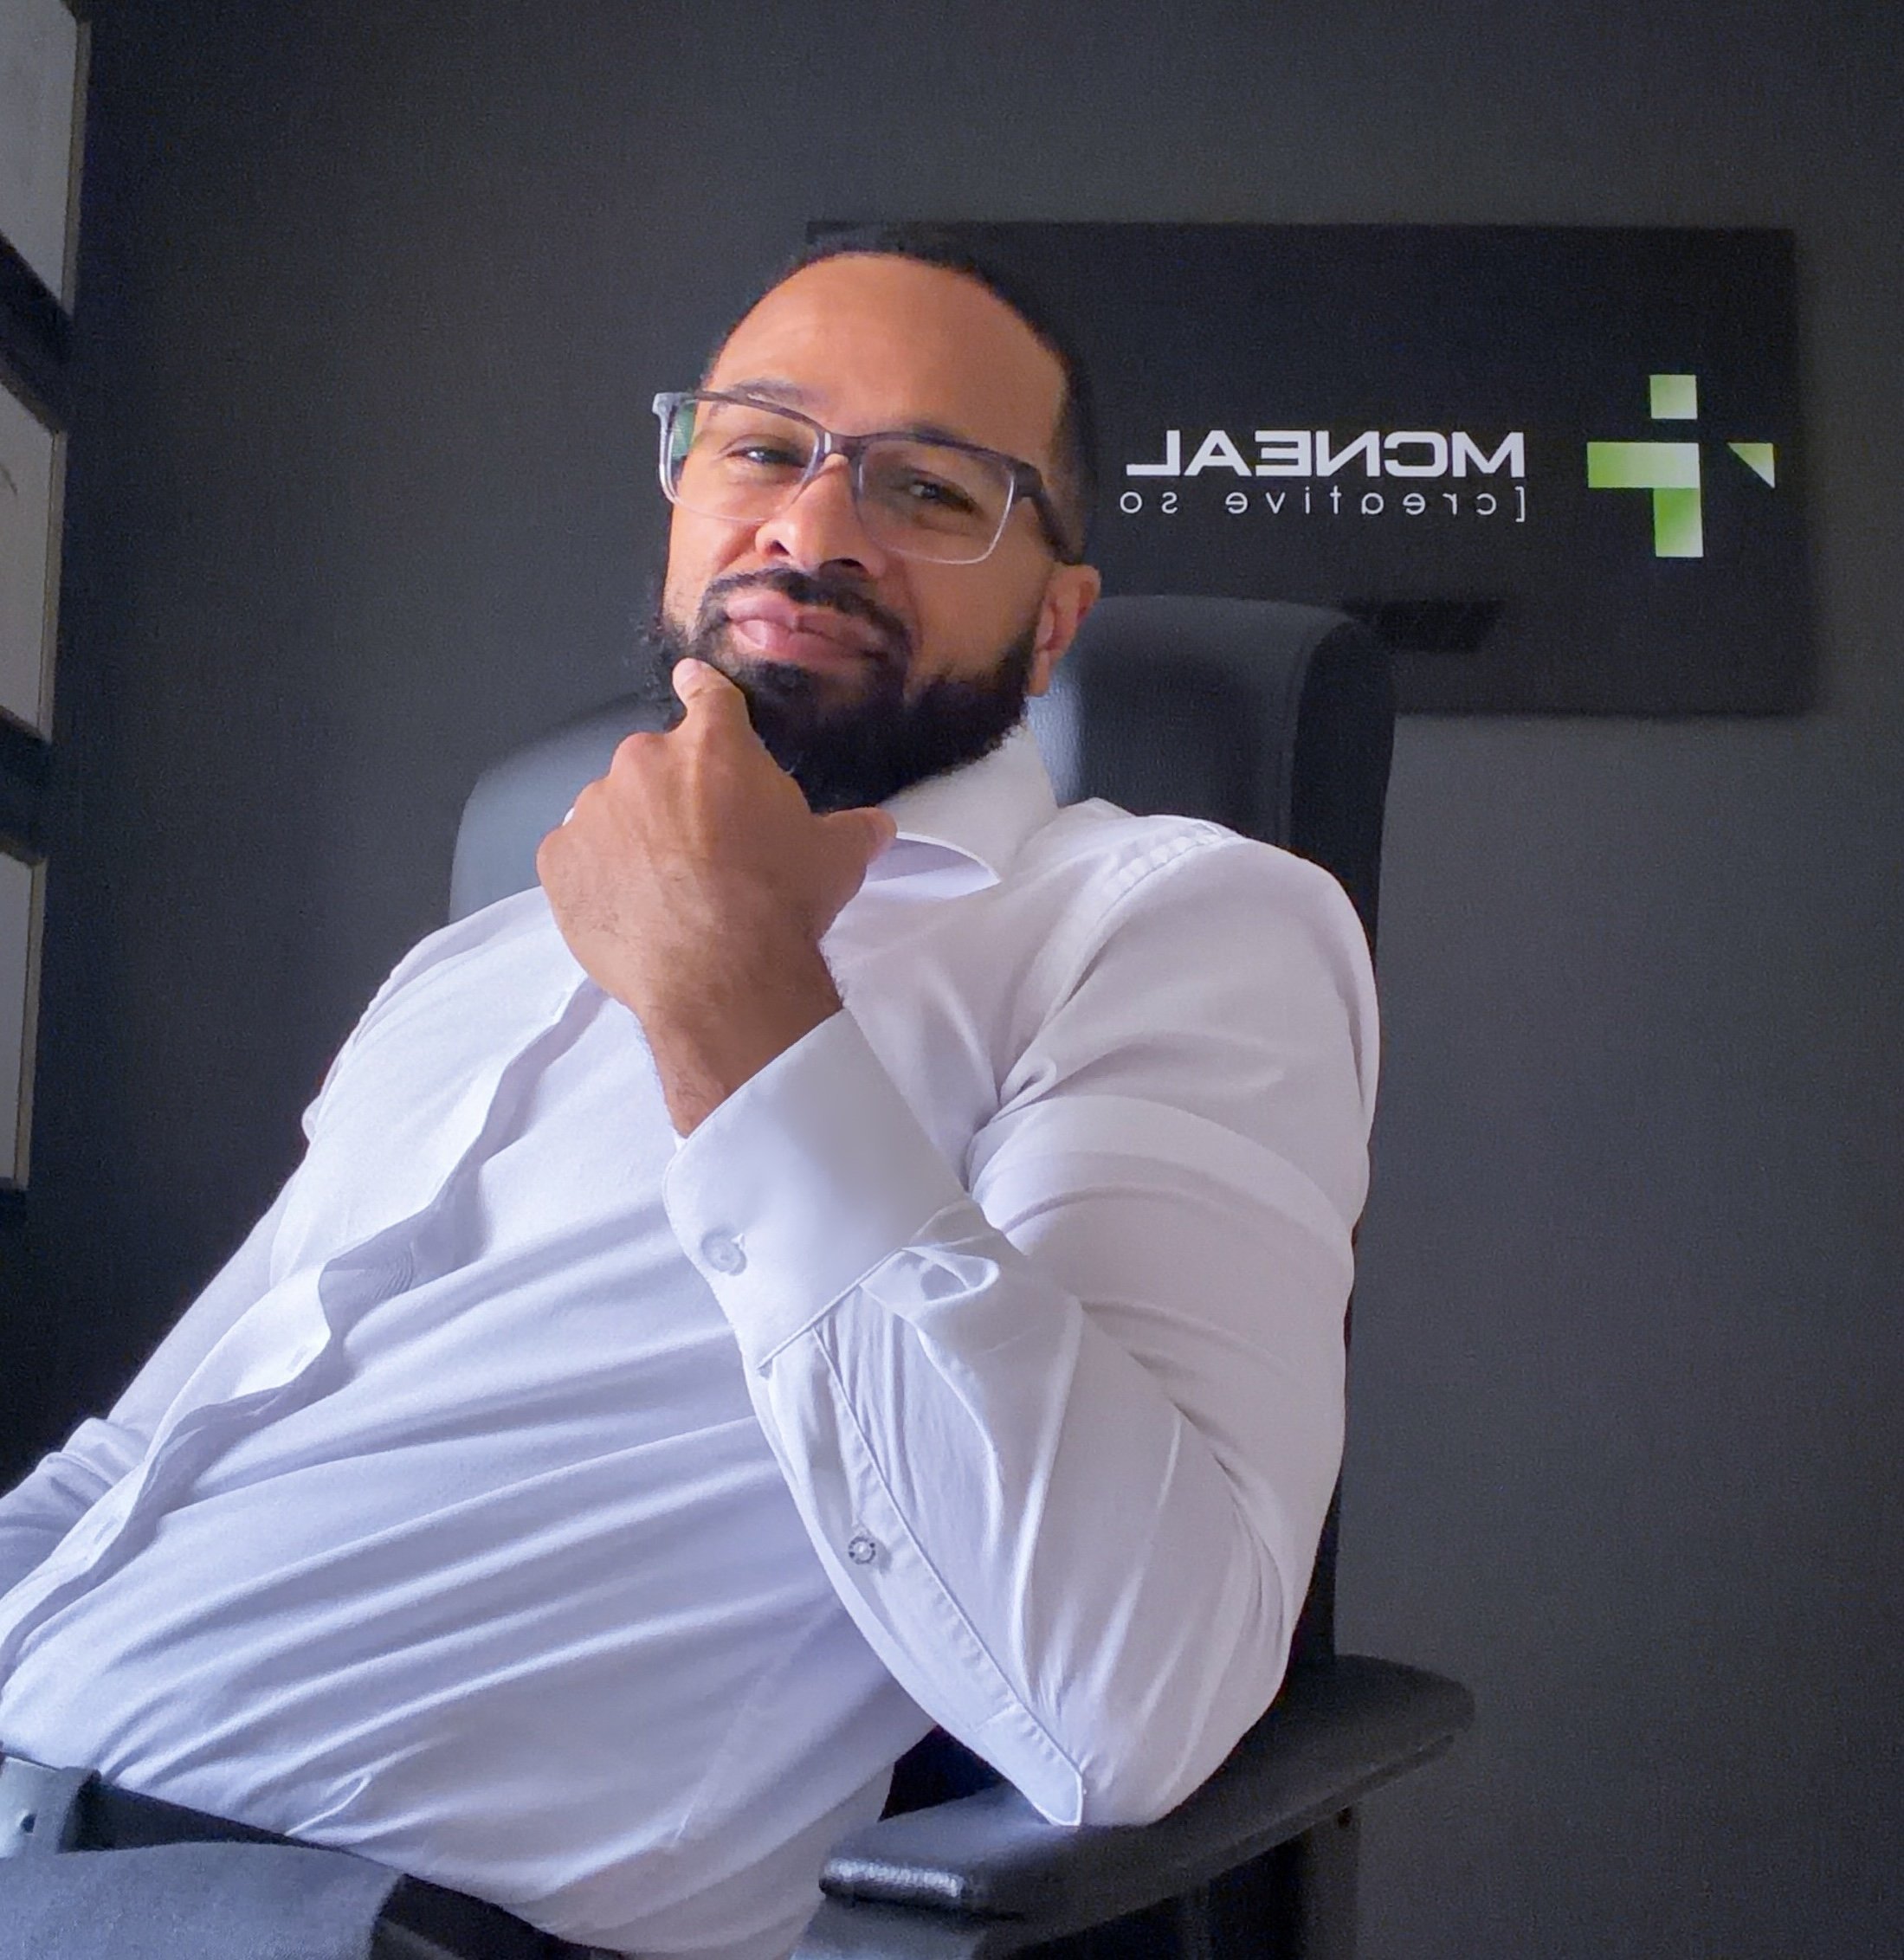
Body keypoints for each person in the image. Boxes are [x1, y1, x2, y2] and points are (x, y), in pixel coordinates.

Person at [0, 230, 1378, 1960]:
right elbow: (141, 1461)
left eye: (929, 487)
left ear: (1053, 625)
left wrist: (735, 1005)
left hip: (328, 1916)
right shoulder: (473, 964)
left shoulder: (1167, 924)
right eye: (759, 445)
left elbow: (1133, 1694)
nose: (810, 526)